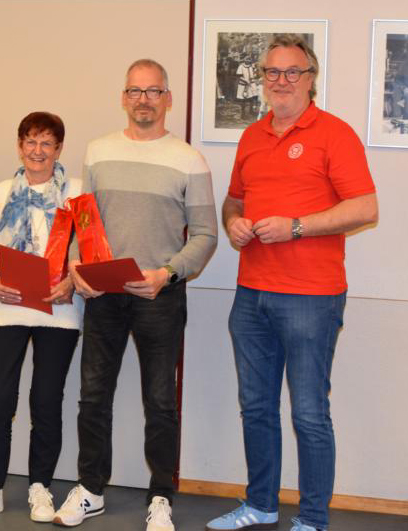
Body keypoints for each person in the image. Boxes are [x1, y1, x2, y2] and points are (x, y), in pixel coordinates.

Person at [205, 34, 377, 531]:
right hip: (252, 293)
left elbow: (365, 208)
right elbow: (235, 199)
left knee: (309, 414)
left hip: (312, 298)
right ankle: (260, 504)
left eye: (292, 72)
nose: (281, 81)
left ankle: (313, 518)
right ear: (262, 78)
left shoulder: (334, 133)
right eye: (272, 72)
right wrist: (234, 222)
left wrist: (296, 226)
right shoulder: (252, 136)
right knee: (256, 408)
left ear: (310, 78)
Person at [53, 59, 217, 531]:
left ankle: (161, 496)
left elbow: (206, 235)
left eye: (153, 91)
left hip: (159, 296)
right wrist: (76, 266)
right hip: (103, 293)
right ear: (123, 98)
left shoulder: (189, 159)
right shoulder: (98, 151)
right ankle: (90, 489)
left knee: (160, 402)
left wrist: (167, 273)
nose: (143, 100)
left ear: (168, 98)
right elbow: (84, 220)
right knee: (92, 397)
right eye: (134, 91)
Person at [0, 112, 83, 524]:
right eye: (30, 141)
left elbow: (86, 248)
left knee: (46, 402)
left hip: (59, 309)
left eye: (47, 143)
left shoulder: (77, 191)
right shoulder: (2, 190)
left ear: (59, 149)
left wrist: (71, 281)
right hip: (7, 305)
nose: (37, 150)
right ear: (20, 146)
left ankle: (40, 487)